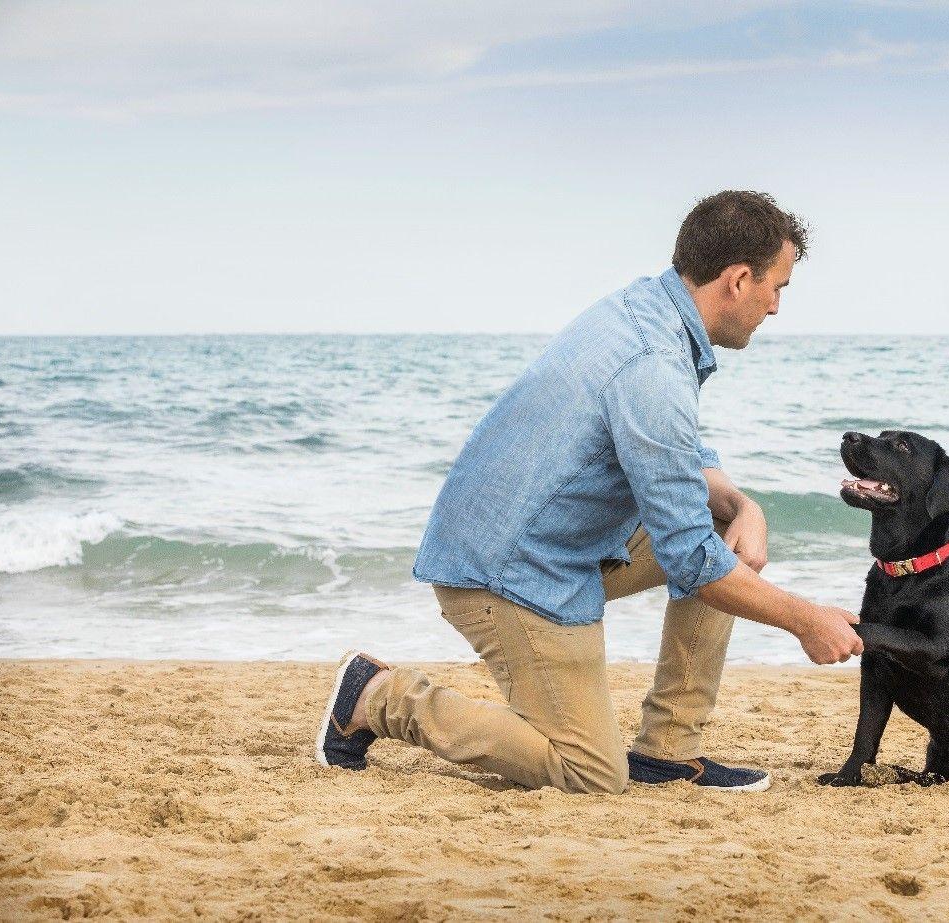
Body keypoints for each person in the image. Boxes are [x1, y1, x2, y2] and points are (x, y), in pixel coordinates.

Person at [315, 190, 864, 794]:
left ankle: (669, 751)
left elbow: (674, 465)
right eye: (776, 287)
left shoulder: (650, 312)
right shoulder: (651, 363)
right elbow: (691, 560)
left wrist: (744, 507)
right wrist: (806, 619)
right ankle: (378, 696)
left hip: (553, 541)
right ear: (738, 280)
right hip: (508, 572)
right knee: (592, 774)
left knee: (719, 540)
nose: (777, 307)